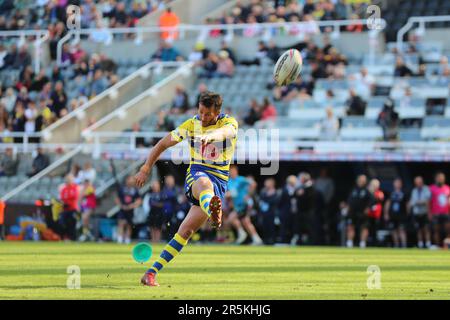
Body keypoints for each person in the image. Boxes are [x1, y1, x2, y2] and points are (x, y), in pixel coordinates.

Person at [135, 91, 239, 286]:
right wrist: (146, 167)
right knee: (204, 183)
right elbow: (163, 143)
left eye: (208, 114)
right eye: (201, 112)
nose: (203, 117)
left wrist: (211, 136)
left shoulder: (229, 123)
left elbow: (227, 133)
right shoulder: (191, 124)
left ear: (217, 112)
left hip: (220, 181)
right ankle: (214, 212)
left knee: (186, 231)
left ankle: (151, 273)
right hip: (197, 175)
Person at [227, 165, 263, 245]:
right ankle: (256, 239)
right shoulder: (229, 182)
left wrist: (248, 195)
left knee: (231, 218)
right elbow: (231, 194)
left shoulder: (241, 179)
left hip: (243, 204)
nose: (231, 173)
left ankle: (242, 233)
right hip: (237, 205)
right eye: (230, 171)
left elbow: (253, 184)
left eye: (233, 171)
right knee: (246, 222)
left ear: (236, 171)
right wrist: (229, 199)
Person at [345, 174, 371, 248]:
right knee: (350, 227)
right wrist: (347, 207)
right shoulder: (353, 190)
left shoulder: (367, 191)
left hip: (362, 213)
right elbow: (349, 201)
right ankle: (349, 243)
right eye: (360, 180)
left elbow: (371, 201)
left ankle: (362, 243)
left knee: (364, 227)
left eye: (363, 180)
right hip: (352, 213)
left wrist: (368, 208)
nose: (361, 181)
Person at [115, 175, 142, 244]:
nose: (131, 181)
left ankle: (127, 239)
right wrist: (121, 206)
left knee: (129, 225)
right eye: (129, 179)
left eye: (132, 180)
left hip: (130, 210)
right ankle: (120, 239)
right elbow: (117, 199)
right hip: (123, 209)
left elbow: (139, 200)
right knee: (121, 223)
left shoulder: (135, 190)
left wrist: (132, 206)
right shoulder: (122, 189)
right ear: (126, 180)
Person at [409, 176, 432, 248]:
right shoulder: (414, 190)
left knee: (426, 228)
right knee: (418, 229)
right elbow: (412, 202)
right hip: (417, 213)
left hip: (424, 212)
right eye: (417, 182)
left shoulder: (426, 189)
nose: (418, 183)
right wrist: (419, 202)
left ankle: (428, 243)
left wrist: (418, 202)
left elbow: (427, 201)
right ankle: (420, 244)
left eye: (419, 182)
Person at [384, 178, 408, 248]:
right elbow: (387, 204)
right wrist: (386, 213)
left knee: (402, 230)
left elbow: (407, 204)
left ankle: (404, 245)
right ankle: (396, 245)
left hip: (401, 214)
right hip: (392, 215)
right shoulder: (391, 193)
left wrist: (407, 213)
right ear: (394, 184)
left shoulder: (404, 193)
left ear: (401, 184)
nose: (397, 184)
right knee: (393, 230)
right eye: (396, 183)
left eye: (399, 183)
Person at [429, 172, 450, 247]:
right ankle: (437, 246)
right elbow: (428, 202)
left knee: (448, 230)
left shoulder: (448, 188)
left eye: (442, 177)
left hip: (446, 213)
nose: (441, 179)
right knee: (436, 231)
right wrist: (430, 213)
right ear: (436, 179)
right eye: (439, 177)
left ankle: (446, 245)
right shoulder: (431, 188)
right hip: (436, 214)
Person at [58, 174, 80, 241]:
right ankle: (65, 237)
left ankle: (73, 238)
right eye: (67, 180)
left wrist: (67, 202)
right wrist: (63, 203)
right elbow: (62, 198)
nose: (68, 181)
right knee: (63, 223)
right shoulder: (64, 189)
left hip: (72, 209)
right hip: (65, 209)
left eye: (69, 179)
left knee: (72, 223)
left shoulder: (74, 188)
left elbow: (74, 198)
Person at [258, 178, 279, 245]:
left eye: (267, 183)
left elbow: (275, 202)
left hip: (272, 213)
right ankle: (265, 239)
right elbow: (260, 201)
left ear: (272, 184)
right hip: (264, 213)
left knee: (271, 227)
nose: (266, 184)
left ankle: (272, 239)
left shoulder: (276, 192)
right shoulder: (263, 191)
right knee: (264, 226)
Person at [367, 179, 384, 247]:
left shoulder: (379, 192)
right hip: (369, 214)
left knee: (375, 229)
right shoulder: (368, 192)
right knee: (368, 229)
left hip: (376, 215)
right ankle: (368, 242)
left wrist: (372, 193)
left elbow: (380, 198)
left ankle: (375, 243)